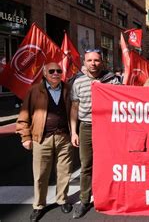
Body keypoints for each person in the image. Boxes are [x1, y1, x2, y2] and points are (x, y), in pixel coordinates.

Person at [16, 62, 73, 222]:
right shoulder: (35, 90)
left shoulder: (68, 88)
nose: (56, 73)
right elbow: (24, 115)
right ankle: (39, 205)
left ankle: (62, 200)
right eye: (52, 71)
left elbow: (75, 110)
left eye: (58, 70)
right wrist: (25, 137)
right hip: (42, 138)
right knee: (40, 174)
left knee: (64, 172)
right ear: (44, 74)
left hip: (64, 137)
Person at [70, 49, 121, 219]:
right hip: (86, 126)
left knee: (110, 163)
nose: (93, 63)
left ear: (102, 62)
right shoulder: (78, 82)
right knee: (86, 165)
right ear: (84, 62)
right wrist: (73, 132)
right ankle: (84, 200)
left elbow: (122, 102)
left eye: (97, 60)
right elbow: (74, 108)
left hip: (109, 127)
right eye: (89, 60)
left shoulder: (112, 80)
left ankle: (110, 196)